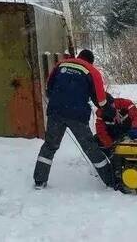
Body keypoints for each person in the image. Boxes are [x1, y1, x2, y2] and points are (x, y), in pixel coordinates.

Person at [33, 49, 114, 189]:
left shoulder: (61, 65)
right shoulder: (92, 71)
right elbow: (101, 101)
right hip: (77, 114)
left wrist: (59, 100)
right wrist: (110, 112)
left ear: (79, 57)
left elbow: (49, 87)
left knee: (50, 145)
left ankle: (40, 180)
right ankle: (110, 180)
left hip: (55, 111)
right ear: (91, 61)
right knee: (90, 147)